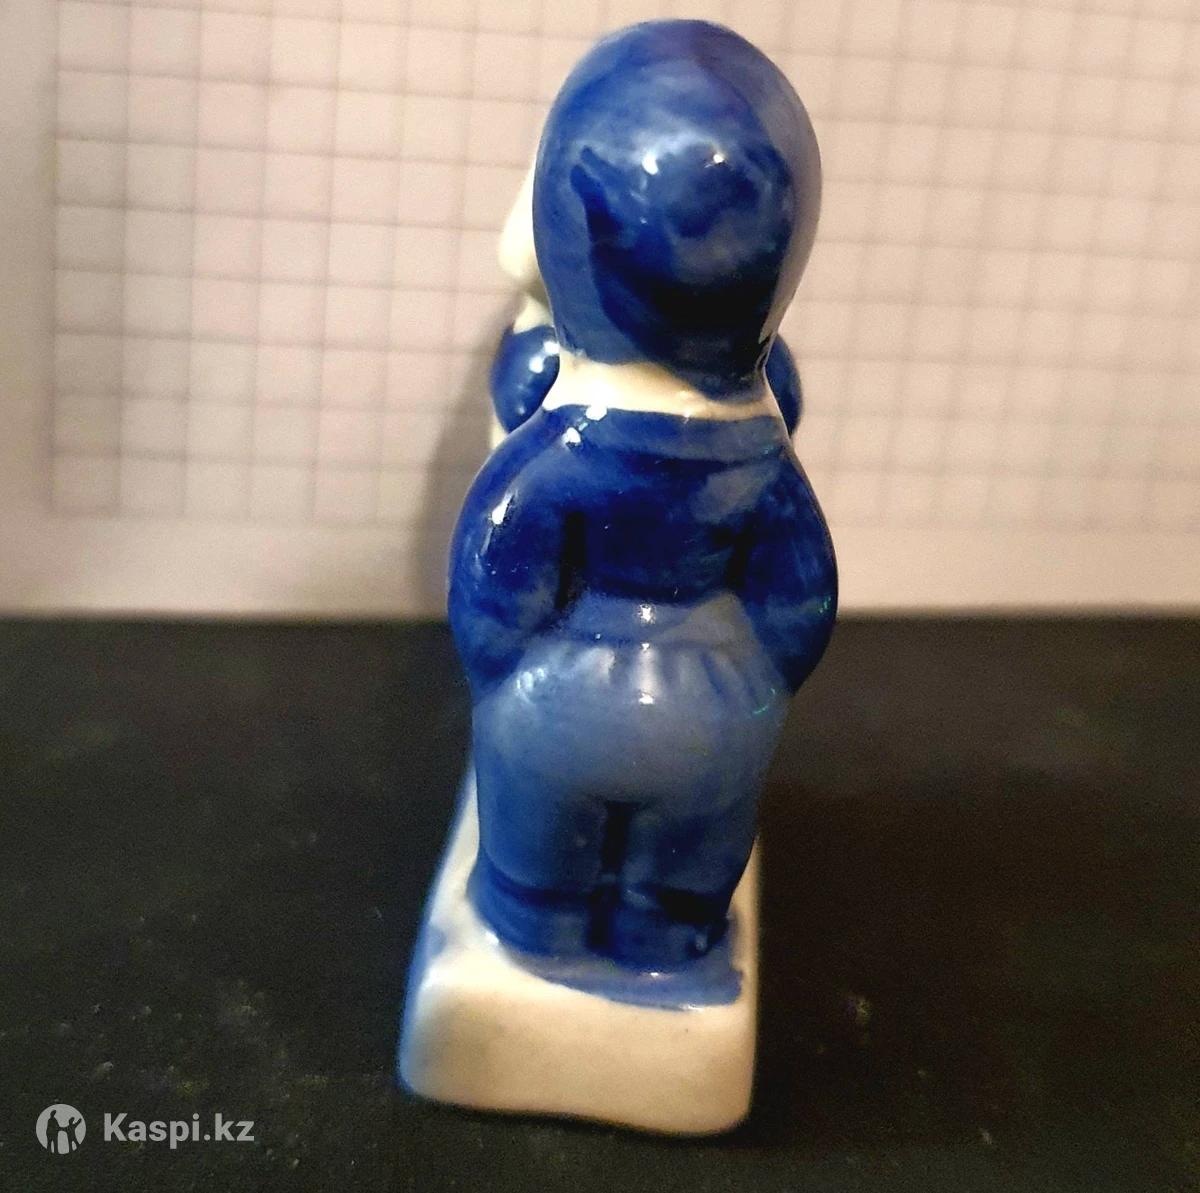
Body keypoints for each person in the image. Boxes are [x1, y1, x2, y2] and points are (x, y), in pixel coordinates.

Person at [450, 21, 836, 969]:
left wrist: (508, 683)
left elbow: (493, 593)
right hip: (714, 715)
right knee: (686, 866)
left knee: (535, 850)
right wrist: (756, 692)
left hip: (562, 705)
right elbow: (802, 601)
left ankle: (534, 921)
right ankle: (666, 930)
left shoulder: (561, 448)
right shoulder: (761, 458)